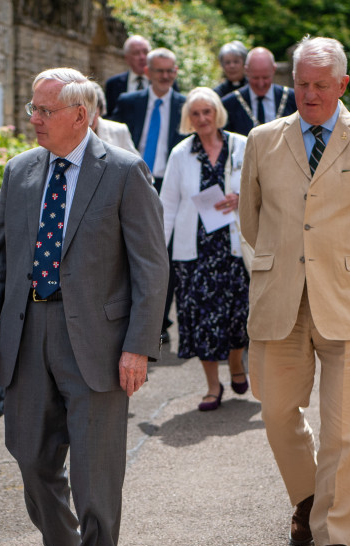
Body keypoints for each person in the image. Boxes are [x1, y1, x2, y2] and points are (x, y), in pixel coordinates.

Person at [0, 68, 168, 546]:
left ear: (80, 116)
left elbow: (151, 271)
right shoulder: (20, 171)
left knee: (95, 476)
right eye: (32, 109)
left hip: (99, 346)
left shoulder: (125, 173)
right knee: (29, 455)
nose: (33, 119)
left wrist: (137, 346)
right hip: (29, 336)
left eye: (43, 111)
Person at [238, 36, 350, 546]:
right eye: (301, 84)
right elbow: (251, 218)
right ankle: (309, 498)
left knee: (344, 429)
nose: (309, 94)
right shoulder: (263, 141)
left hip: (348, 301)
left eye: (320, 85)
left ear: (343, 85)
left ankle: (334, 538)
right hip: (279, 300)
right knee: (276, 412)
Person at [159, 88, 249, 411]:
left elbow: (264, 187)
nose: (202, 119)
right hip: (195, 253)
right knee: (202, 321)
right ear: (188, 119)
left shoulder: (242, 145)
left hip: (235, 248)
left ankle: (237, 363)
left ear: (217, 114)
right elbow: (167, 204)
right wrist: (159, 251)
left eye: (207, 112)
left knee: (240, 318)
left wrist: (243, 199)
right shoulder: (181, 154)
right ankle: (213, 386)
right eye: (195, 114)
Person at [113, 47, 187, 344]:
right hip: (135, 178)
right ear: (148, 73)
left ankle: (159, 322)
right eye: (160, 71)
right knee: (128, 248)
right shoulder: (129, 102)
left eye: (170, 71)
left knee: (162, 251)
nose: (165, 76)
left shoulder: (185, 105)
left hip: (170, 182)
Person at [222, 47, 297, 136]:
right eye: (255, 78)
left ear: (274, 70)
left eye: (265, 77)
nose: (260, 84)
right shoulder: (229, 104)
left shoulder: (293, 98)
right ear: (246, 71)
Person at [104, 35, 151, 116]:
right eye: (136, 53)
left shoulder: (163, 82)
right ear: (127, 58)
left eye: (145, 52)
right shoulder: (113, 84)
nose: (142, 57)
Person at [90, 82, 138, 155]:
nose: (87, 119)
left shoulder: (119, 131)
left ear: (100, 109)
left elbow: (135, 164)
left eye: (91, 113)